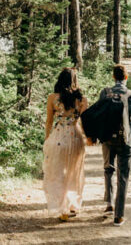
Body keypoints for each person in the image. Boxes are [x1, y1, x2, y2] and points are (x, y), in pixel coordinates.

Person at [43, 67, 88, 221]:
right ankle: (72, 204)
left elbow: (49, 122)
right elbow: (85, 122)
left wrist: (47, 139)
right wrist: (89, 138)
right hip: (75, 137)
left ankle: (63, 209)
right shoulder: (81, 99)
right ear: (74, 81)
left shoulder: (52, 98)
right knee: (75, 172)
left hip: (59, 137)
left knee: (58, 172)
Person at [99, 63, 131, 226]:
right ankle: (119, 216)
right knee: (122, 177)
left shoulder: (105, 92)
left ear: (113, 77)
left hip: (107, 140)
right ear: (126, 77)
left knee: (108, 169)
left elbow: (99, 114)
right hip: (125, 140)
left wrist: (98, 135)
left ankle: (109, 204)